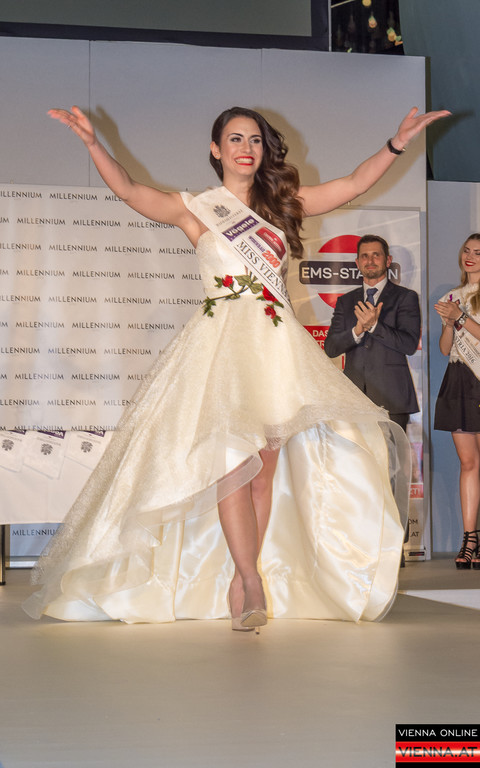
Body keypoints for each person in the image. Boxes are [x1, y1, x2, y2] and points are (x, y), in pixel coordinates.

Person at [23, 104, 449, 628]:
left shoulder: (283, 205)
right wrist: (93, 143)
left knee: (262, 474)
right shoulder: (196, 208)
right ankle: (249, 580)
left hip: (273, 348)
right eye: (235, 139)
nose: (246, 148)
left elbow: (353, 183)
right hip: (220, 348)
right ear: (216, 149)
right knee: (231, 469)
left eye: (255, 140)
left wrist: (398, 142)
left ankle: (241, 575)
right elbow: (131, 192)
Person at [323, 234, 421, 432]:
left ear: (388, 260)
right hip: (354, 398)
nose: (370, 261)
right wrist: (357, 330)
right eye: (365, 256)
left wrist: (375, 326)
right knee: (357, 453)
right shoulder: (345, 302)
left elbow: (409, 345)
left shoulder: (406, 297)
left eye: (376, 255)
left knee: (391, 453)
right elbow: (331, 348)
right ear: (357, 263)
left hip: (392, 397)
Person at [434, 233, 480, 570]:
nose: (470, 256)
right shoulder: (451, 297)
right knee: (468, 463)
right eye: (466, 250)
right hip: (458, 379)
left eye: (478, 252)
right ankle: (470, 539)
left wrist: (462, 318)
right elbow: (444, 348)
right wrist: (450, 322)